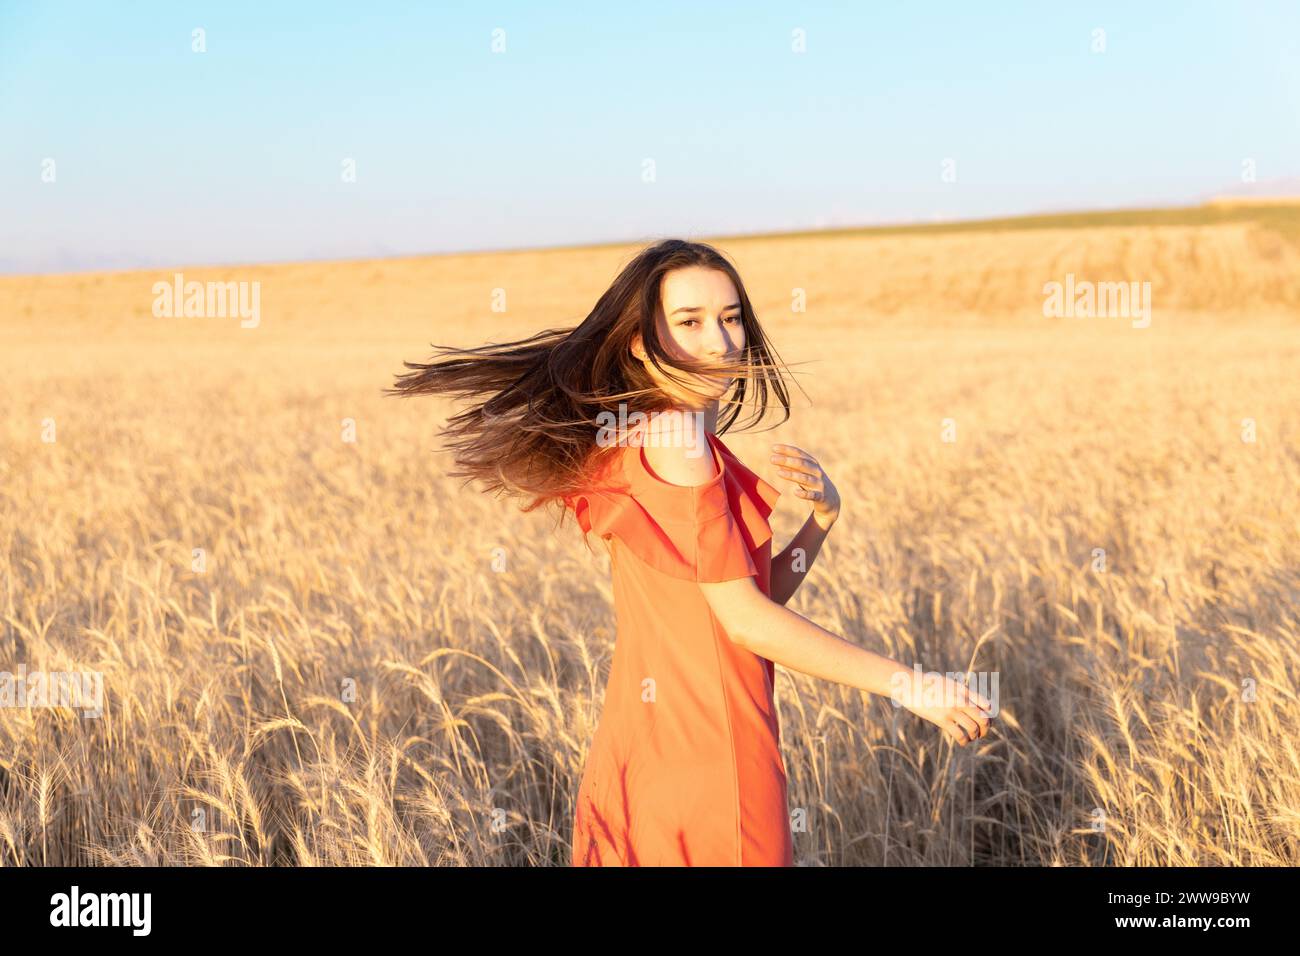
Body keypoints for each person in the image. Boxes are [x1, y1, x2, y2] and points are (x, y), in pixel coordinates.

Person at [387, 238, 993, 866]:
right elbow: (746, 621)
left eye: (732, 318)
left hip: (640, 754)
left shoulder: (642, 432)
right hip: (713, 756)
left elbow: (735, 605)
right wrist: (908, 685)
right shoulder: (679, 441)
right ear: (639, 342)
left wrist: (820, 522)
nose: (721, 341)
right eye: (690, 322)